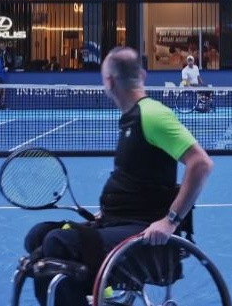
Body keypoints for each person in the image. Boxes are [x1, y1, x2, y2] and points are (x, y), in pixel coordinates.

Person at [23, 47, 214, 306]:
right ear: (142, 76)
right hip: (118, 221)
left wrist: (170, 221)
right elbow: (138, 179)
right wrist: (108, 212)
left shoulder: (152, 115)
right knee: (38, 235)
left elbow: (201, 163)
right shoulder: (131, 118)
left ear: (109, 81)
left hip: (143, 229)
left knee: (58, 242)